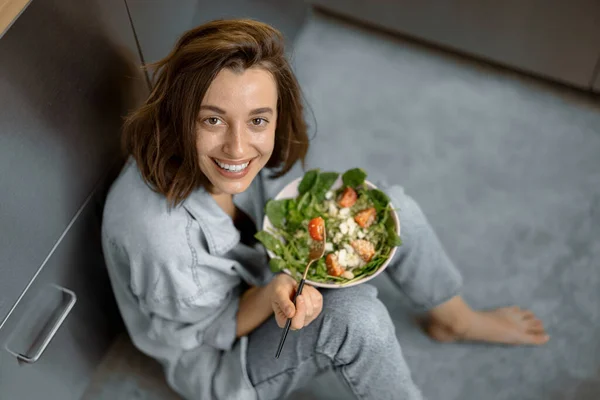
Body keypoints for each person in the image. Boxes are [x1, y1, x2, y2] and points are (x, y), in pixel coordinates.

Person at [101, 19, 549, 400]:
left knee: (391, 209)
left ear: (277, 113)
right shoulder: (158, 237)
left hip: (260, 275)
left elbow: (268, 180)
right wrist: (275, 290)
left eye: (258, 120)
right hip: (220, 362)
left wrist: (289, 272)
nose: (238, 148)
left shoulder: (221, 157)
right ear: (180, 115)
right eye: (212, 119)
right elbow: (206, 333)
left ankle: (454, 319)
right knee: (357, 319)